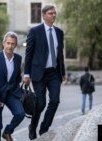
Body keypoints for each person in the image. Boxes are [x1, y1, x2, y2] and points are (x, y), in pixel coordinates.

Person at [23, 4, 66, 140]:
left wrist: (62, 72)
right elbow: (28, 54)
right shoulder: (35, 31)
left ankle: (44, 129)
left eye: (54, 13)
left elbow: (60, 54)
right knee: (40, 104)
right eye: (50, 13)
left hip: (54, 73)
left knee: (55, 101)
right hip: (38, 73)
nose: (53, 15)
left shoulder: (59, 32)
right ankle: (32, 126)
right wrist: (26, 74)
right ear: (43, 15)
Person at [0, 31, 25, 141]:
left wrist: (18, 85)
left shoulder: (18, 58)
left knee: (20, 113)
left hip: (10, 93)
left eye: (12, 44)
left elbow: (17, 76)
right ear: (3, 43)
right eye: (8, 43)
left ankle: (7, 132)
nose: (10, 46)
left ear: (15, 45)